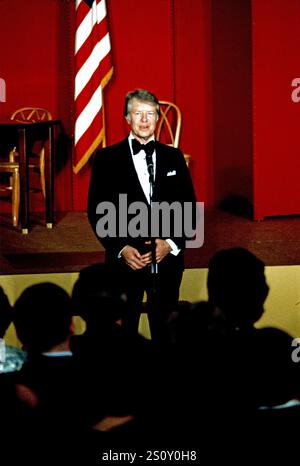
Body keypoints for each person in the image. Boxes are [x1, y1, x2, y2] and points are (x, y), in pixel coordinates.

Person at [88, 89, 197, 345]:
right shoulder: (106, 159)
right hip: (125, 263)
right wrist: (120, 248)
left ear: (158, 118)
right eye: (138, 113)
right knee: (124, 336)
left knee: (166, 335)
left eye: (150, 114)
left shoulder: (174, 156)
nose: (145, 120)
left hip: (167, 262)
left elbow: (189, 207)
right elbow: (97, 210)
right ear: (127, 118)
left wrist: (170, 244)